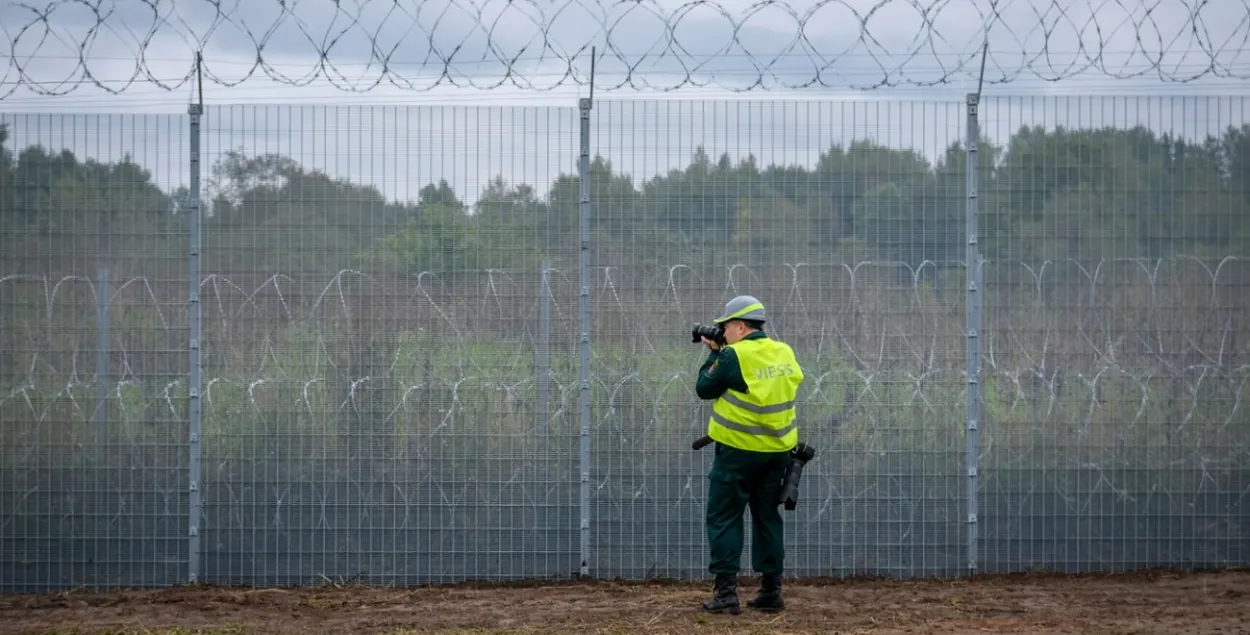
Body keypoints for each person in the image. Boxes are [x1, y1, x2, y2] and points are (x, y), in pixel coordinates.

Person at [694, 294, 805, 615]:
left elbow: (704, 388)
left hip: (738, 453)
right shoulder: (783, 351)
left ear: (740, 327)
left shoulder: (733, 355)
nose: (722, 333)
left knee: (725, 516)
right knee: (767, 516)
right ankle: (771, 590)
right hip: (779, 451)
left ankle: (726, 592)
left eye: (725, 327)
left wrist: (714, 356)